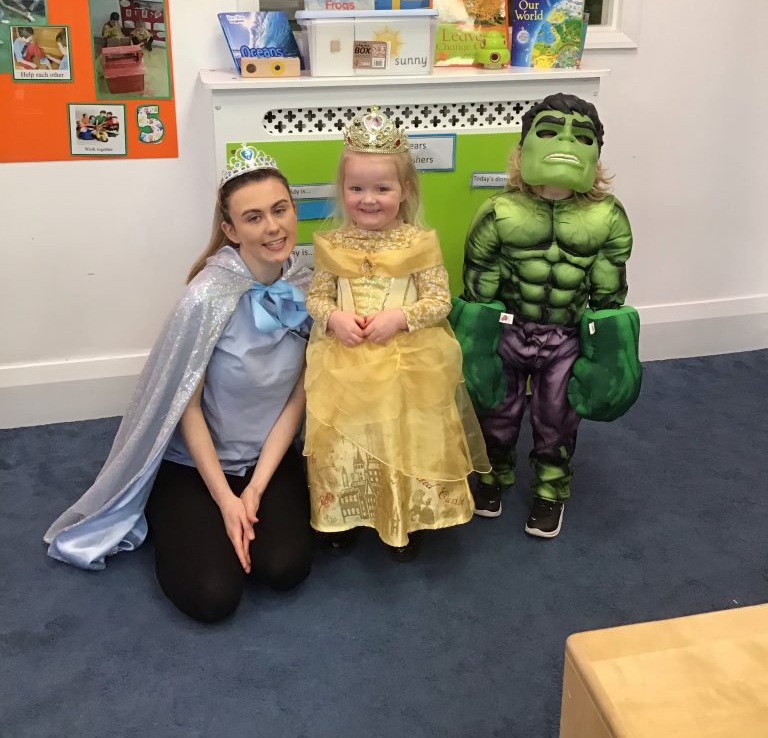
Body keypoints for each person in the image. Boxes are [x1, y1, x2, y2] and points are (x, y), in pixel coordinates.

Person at [45, 147, 314, 623]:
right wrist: (225, 499)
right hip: (194, 463)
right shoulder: (206, 297)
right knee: (212, 596)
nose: (272, 227)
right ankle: (171, 511)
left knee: (284, 568)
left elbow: (298, 395)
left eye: (279, 210)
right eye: (253, 217)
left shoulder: (307, 287)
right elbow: (185, 406)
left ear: (294, 209)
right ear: (230, 230)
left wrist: (254, 491)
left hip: (265, 458)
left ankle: (240, 509)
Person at [303, 106, 489, 562]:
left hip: (406, 361)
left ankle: (404, 516)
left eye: (382, 189)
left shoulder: (419, 242)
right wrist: (334, 318)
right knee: (346, 441)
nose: (368, 199)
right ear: (342, 189)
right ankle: (344, 514)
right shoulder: (332, 243)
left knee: (402, 438)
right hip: (345, 363)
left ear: (404, 190)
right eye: (356, 188)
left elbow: (440, 301)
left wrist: (401, 317)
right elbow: (316, 298)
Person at [460, 93, 634, 539]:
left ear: (595, 153)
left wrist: (607, 355)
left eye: (582, 136)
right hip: (509, 328)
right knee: (496, 411)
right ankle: (493, 474)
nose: (566, 142)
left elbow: (608, 293)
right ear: (524, 148)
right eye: (551, 131)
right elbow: (480, 284)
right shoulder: (498, 211)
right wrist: (476, 349)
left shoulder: (608, 216)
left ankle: (551, 489)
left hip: (566, 334)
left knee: (557, 417)